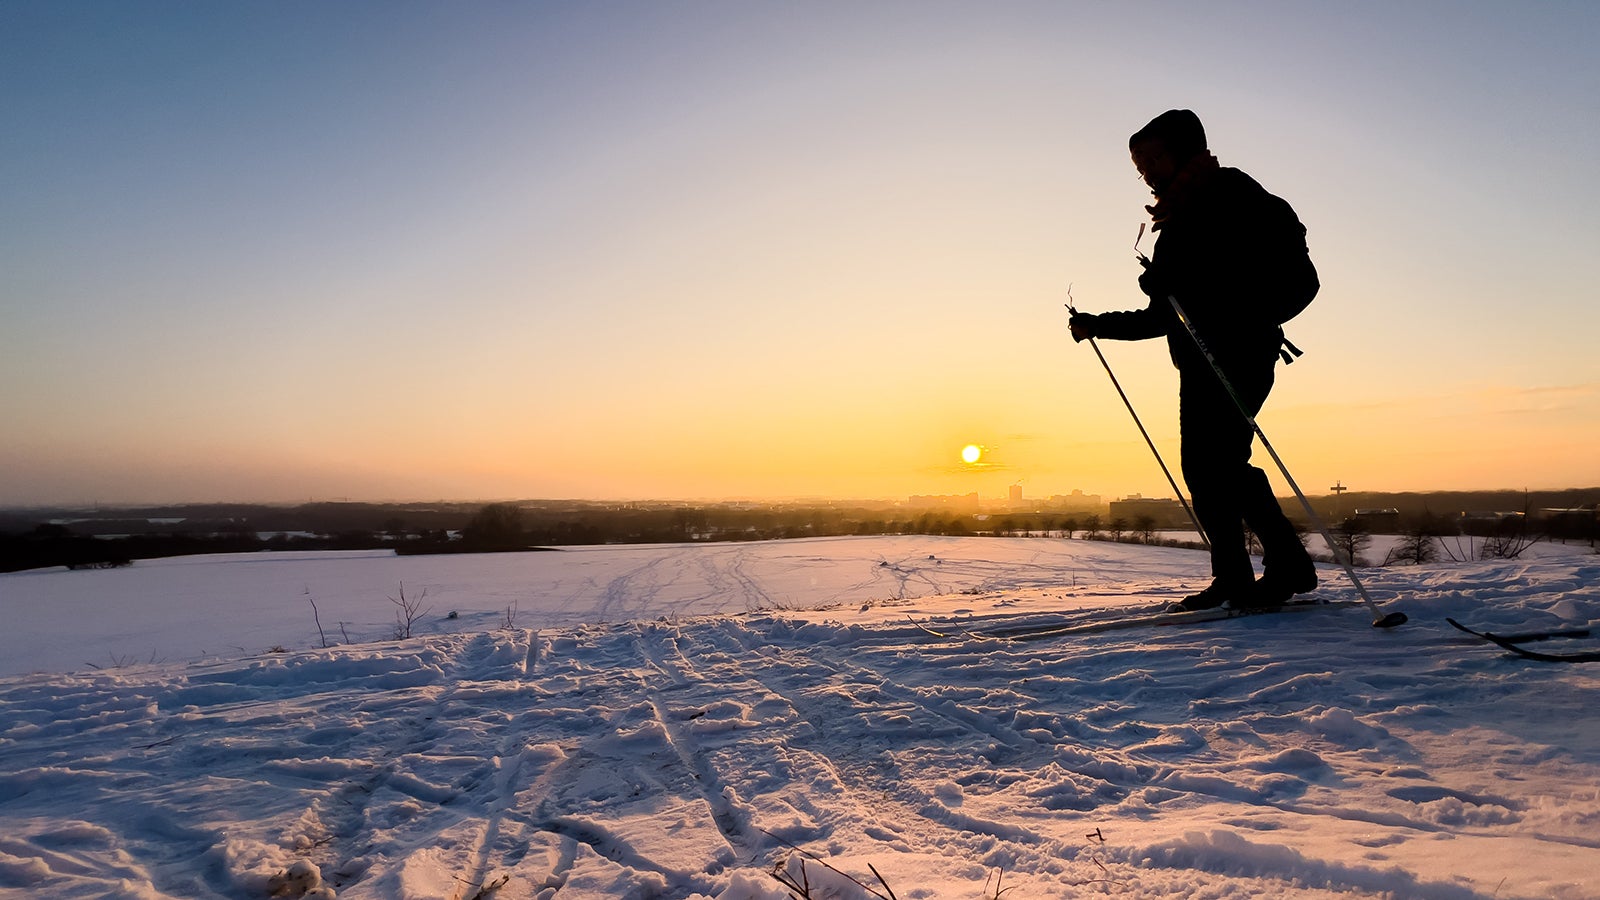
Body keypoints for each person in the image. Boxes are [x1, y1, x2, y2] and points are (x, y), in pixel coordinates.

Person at [1069, 109, 1318, 611]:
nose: (1147, 171)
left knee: (1221, 465)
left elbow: (1286, 283)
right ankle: (1234, 576)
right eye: (1140, 165)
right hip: (1199, 362)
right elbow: (1167, 314)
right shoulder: (1177, 217)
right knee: (1206, 469)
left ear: (1186, 151)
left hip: (1239, 354)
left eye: (1154, 158)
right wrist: (1098, 324)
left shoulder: (1235, 197)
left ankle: (1287, 567)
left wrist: (1201, 296)